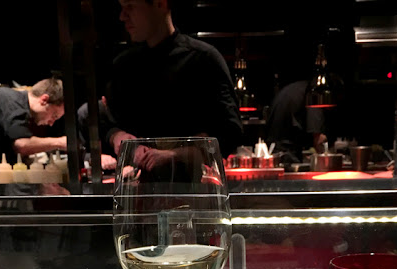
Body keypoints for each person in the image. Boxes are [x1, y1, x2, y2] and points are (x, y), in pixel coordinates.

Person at [106, 0, 243, 165]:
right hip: (136, 179)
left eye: (130, 6)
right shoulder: (124, 65)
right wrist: (117, 136)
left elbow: (231, 133)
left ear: (160, 4)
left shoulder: (202, 59)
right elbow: (106, 122)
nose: (122, 16)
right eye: (122, 8)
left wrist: (177, 154)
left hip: (197, 179)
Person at [266, 80, 328, 165]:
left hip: (272, 149)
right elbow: (318, 139)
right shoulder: (314, 93)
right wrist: (325, 157)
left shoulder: (296, 89)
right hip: (287, 153)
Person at [76, 86, 117, 171]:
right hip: (95, 169)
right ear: (104, 99)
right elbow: (78, 151)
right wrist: (95, 157)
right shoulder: (86, 113)